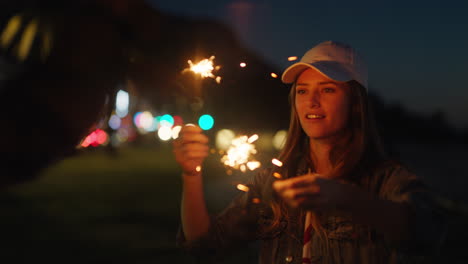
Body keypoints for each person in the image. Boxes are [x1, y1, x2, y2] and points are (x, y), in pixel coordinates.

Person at [173, 40, 446, 263]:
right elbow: (204, 246)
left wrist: (347, 198)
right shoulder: (273, 181)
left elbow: (427, 232)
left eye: (327, 89)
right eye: (302, 91)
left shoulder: (385, 179)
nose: (311, 102)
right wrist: (191, 173)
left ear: (354, 103)